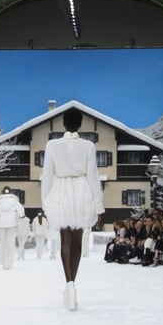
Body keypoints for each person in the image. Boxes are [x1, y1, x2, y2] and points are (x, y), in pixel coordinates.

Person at [40, 107, 104, 311]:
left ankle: (69, 285)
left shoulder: (52, 145)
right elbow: (93, 177)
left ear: (63, 123)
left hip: (60, 192)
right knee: (76, 242)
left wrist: (45, 202)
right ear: (80, 124)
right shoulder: (88, 146)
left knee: (65, 240)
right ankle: (73, 285)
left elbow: (47, 175)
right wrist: (99, 205)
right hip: (81, 192)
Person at [0, 186, 25, 270]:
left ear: (2, 192)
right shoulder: (15, 202)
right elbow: (21, 212)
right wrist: (21, 216)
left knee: (3, 244)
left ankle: (3, 262)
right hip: (12, 225)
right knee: (11, 244)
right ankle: (9, 263)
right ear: (10, 192)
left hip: (2, 225)